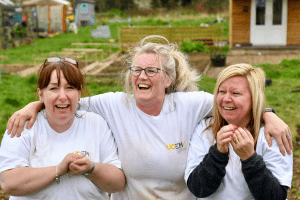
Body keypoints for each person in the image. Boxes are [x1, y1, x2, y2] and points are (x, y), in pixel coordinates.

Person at [5, 36, 292, 200]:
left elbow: (232, 104)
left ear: (167, 79)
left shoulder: (189, 105)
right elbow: (67, 100)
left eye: (151, 71)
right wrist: (32, 105)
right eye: (136, 69)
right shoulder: (113, 105)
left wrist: (269, 115)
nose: (142, 76)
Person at [0, 57, 125, 199]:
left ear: (79, 94)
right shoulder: (24, 124)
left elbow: (118, 183)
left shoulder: (96, 124)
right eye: (53, 88)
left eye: (70, 88)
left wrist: (92, 168)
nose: (62, 96)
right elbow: (8, 182)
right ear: (40, 94)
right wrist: (58, 170)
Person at [185, 64, 293, 199]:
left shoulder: (272, 134)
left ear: (254, 98)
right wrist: (217, 154)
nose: (226, 99)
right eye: (221, 91)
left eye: (235, 93)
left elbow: (276, 197)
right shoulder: (205, 129)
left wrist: (249, 158)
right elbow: (198, 189)